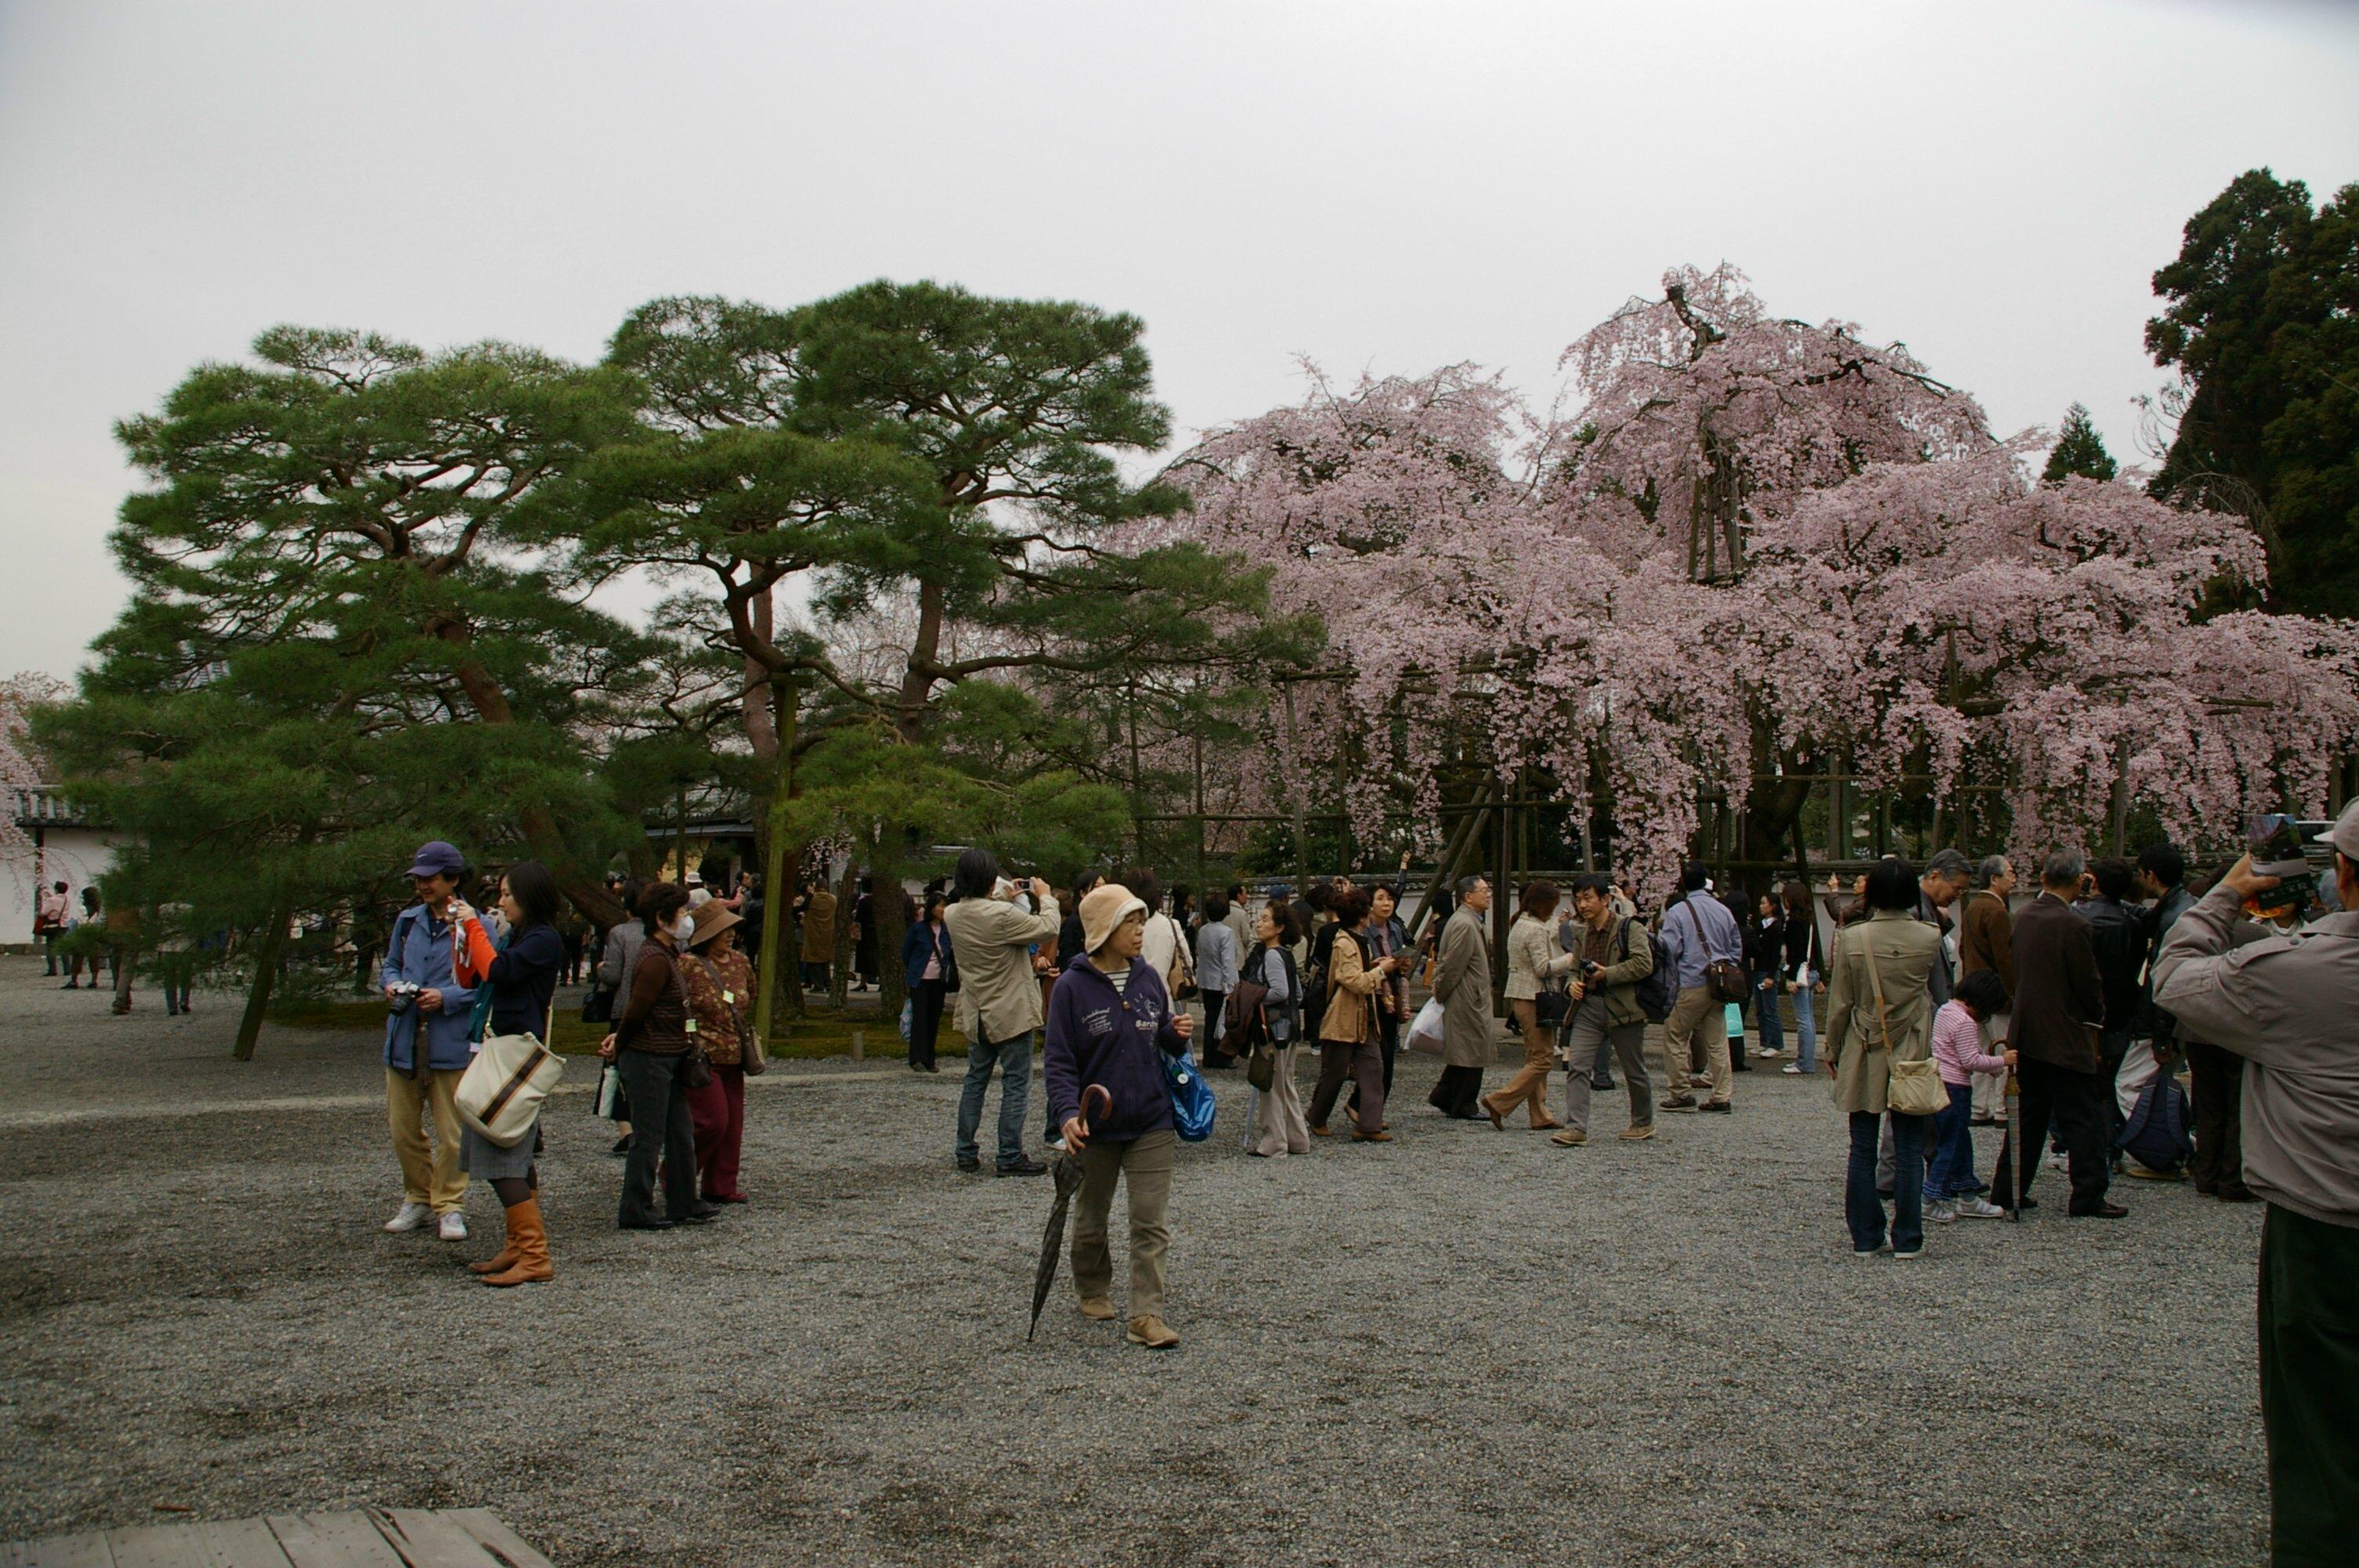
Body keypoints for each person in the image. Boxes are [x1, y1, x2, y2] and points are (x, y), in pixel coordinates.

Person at [2151, 802, 2359, 1566]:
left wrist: (2228, 892)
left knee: (2319, 1423)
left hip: (2324, 1227)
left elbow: (2173, 978)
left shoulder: (2297, 973)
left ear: (2342, 871)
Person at [1045, 883, 1194, 1350]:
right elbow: (1059, 1062)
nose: (1140, 930)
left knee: (1150, 1222)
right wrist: (1067, 1114)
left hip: (1152, 1118)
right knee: (1092, 1216)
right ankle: (1091, 1285)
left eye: (1141, 920)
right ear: (1104, 928)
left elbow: (1159, 1037)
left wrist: (1174, 1033)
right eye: (1130, 921)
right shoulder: (1071, 987)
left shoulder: (1148, 977)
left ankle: (1146, 1315)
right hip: (1096, 1124)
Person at [1988, 851, 2124, 1218]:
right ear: (2080, 880)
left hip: (2028, 1029)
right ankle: (2087, 1194)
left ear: (2044, 878)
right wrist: (2096, 1015)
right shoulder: (2073, 924)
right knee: (2083, 1118)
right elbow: (2087, 982)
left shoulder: (2023, 917)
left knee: (2028, 1118)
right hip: (2064, 1033)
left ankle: (2008, 1189)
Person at [449, 860, 565, 1285]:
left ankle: (534, 1255)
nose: (501, 902)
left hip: (512, 1056)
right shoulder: (522, 935)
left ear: (529, 896)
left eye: (508, 894)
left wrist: (473, 925)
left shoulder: (543, 938)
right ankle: (519, 1246)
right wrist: (464, 937)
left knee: (502, 1159)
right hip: (506, 1050)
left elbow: (498, 970)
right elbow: (475, 976)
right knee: (515, 1155)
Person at [1823, 858, 1944, 1258]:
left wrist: (1832, 1047)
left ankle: (1866, 1236)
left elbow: (1841, 1002)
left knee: (1862, 1145)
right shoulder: (1929, 936)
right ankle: (1909, 1237)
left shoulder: (1853, 938)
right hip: (1910, 1044)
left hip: (1863, 1043)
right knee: (1908, 1147)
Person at [601, 880, 719, 1232]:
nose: (686, 918)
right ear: (661, 918)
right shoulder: (654, 959)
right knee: (649, 1136)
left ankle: (684, 1199)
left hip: (668, 1053)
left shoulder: (665, 954)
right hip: (649, 1056)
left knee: (680, 1132)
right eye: (680, 912)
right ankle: (636, 1207)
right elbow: (637, 1009)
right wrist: (620, 1043)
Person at [378, 840, 479, 1243]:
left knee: (452, 1133)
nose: (422, 886)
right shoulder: (407, 922)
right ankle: (418, 1196)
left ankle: (450, 1203)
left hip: (449, 1038)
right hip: (404, 1038)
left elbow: (488, 981)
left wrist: (447, 997)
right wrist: (391, 985)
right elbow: (390, 965)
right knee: (402, 1128)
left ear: (453, 879)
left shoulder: (474, 924)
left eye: (430, 878)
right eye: (418, 879)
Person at [943, 849, 1060, 1176]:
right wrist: (1045, 896)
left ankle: (966, 1151)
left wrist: (1004, 895)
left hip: (977, 1010)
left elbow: (981, 908)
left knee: (975, 1081)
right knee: (1016, 1083)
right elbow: (1048, 927)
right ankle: (1009, 1154)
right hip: (1011, 1011)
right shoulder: (1003, 916)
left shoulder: (953, 913)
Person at [1548, 873, 1656, 1147]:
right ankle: (1575, 1128)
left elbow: (1644, 964)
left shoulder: (1629, 928)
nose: (1582, 905)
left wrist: (1607, 973)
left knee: (1634, 1069)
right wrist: (1572, 985)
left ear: (1605, 899)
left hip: (1623, 1007)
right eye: (1578, 899)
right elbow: (1575, 970)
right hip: (1589, 1007)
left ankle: (1643, 1122)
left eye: (1588, 898)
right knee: (1578, 1066)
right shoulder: (1582, 933)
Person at [678, 898, 756, 1205]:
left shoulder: (741, 962)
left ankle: (721, 1185)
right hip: (702, 1056)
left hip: (735, 1055)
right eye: (723, 929)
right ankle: (677, 1176)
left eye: (732, 928)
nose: (730, 934)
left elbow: (751, 993)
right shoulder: (688, 965)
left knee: (733, 1126)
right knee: (712, 1121)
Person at [1924, 967, 2016, 1224]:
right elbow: (1970, 1060)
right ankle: (1929, 1199)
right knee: (1951, 1147)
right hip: (1956, 1088)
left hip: (1941, 1083)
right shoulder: (1965, 1022)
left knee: (1959, 1144)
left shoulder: (1945, 1010)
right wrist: (2002, 1061)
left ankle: (1967, 1194)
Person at [1308, 886, 1399, 1142]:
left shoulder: (1357, 940)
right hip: (1343, 1018)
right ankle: (1316, 1115)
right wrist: (1381, 971)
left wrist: (1373, 966)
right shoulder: (1345, 943)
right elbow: (1354, 981)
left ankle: (1369, 1125)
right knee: (1335, 1073)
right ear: (1361, 916)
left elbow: (1357, 974)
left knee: (1374, 1069)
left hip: (1363, 1018)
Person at [1485, 880, 1573, 1131]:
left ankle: (1539, 1114)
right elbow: (1543, 968)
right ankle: (1499, 1101)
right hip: (1535, 997)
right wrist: (1570, 959)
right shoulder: (1534, 929)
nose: (1553, 911)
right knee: (1543, 1059)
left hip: (1522, 996)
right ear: (1543, 905)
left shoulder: (1521, 923)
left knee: (1535, 1056)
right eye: (1552, 906)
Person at [1656, 863, 1743, 1113]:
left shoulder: (1678, 912)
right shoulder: (1723, 910)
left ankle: (1680, 1091)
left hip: (1691, 982)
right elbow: (1736, 946)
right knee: (1717, 1041)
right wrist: (1726, 965)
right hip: (1719, 984)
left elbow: (1669, 950)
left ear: (1683, 882)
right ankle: (1721, 1095)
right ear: (1706, 881)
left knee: (1675, 1035)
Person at [2075, 855, 2147, 1145]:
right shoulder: (2134, 923)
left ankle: (2089, 1143)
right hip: (2122, 1008)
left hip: (2086, 1010)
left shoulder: (2079, 919)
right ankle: (2112, 1142)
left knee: (2086, 1083)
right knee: (2113, 1078)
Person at [1243, 902, 1309, 1158]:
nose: (1259, 924)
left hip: (1272, 1028)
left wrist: (1255, 997)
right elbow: (1297, 994)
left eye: (1265, 919)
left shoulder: (1271, 955)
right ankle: (1297, 1139)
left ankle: (1275, 1142)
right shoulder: (1286, 954)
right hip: (1291, 1026)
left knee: (1270, 1085)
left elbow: (1280, 992)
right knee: (1286, 1084)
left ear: (1280, 927)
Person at [1428, 875, 1495, 1120]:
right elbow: (1452, 966)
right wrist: (1440, 991)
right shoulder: (1465, 924)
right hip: (1467, 996)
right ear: (1468, 897)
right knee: (1471, 1050)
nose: (1488, 894)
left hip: (1469, 994)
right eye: (1484, 890)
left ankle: (1445, 1095)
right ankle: (1464, 1103)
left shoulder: (1467, 921)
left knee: (1467, 1049)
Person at [1957, 855, 2017, 1123]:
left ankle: (1978, 1107)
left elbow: (1963, 949)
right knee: (2003, 1049)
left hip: (1974, 990)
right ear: (1994, 878)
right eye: (2010, 873)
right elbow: (2004, 958)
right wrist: (2013, 991)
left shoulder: (1972, 907)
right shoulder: (1997, 911)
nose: (2014, 878)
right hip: (1998, 993)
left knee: (1980, 1050)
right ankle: (2003, 1108)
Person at [592, 877, 647, 1155]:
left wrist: (600, 968)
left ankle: (627, 1130)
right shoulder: (669, 934)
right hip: (657, 1012)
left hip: (624, 1008)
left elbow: (612, 975)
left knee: (618, 1068)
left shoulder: (620, 933)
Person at [1353, 880, 1412, 1117]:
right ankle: (1362, 1108)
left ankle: (1370, 1110)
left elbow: (1398, 961)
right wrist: (1379, 966)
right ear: (1370, 904)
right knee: (1378, 1057)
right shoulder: (1363, 930)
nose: (1386, 904)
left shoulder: (1395, 929)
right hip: (1372, 996)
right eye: (1380, 899)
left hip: (1391, 996)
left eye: (1389, 899)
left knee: (1388, 1059)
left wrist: (1401, 964)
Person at [902, 892, 956, 1073]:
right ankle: (916, 1057)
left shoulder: (947, 929)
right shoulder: (918, 929)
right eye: (940, 905)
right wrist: (914, 968)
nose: (943, 909)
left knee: (933, 1019)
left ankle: (929, 1059)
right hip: (921, 980)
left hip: (938, 980)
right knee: (920, 1018)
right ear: (932, 908)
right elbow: (906, 952)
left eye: (945, 906)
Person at [1194, 894, 1241, 1069]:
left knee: (1211, 1019)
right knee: (1222, 1021)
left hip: (1206, 979)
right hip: (1221, 982)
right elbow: (1228, 961)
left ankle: (1209, 1055)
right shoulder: (1226, 933)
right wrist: (1230, 986)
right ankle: (1221, 1056)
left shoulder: (1203, 930)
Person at [1747, 891, 1787, 1061]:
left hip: (1768, 971)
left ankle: (1776, 1043)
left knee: (1770, 1009)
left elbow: (1775, 954)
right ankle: (1764, 1041)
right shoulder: (1761, 925)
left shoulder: (1777, 927)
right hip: (1758, 969)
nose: (1761, 906)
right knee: (1761, 1010)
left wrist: (1771, 975)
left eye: (1764, 903)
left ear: (1773, 906)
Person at [798, 878, 836, 993]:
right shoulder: (833, 899)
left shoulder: (811, 899)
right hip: (828, 931)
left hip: (813, 931)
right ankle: (828, 983)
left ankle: (818, 985)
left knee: (813, 959)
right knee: (825, 959)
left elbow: (802, 909)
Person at [35, 879, 69, 978]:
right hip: (63, 925)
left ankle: (52, 970)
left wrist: (46, 900)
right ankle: (67, 969)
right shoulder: (67, 899)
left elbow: (43, 912)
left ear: (56, 889)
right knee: (63, 948)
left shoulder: (52, 900)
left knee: (51, 948)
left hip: (53, 926)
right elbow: (58, 904)